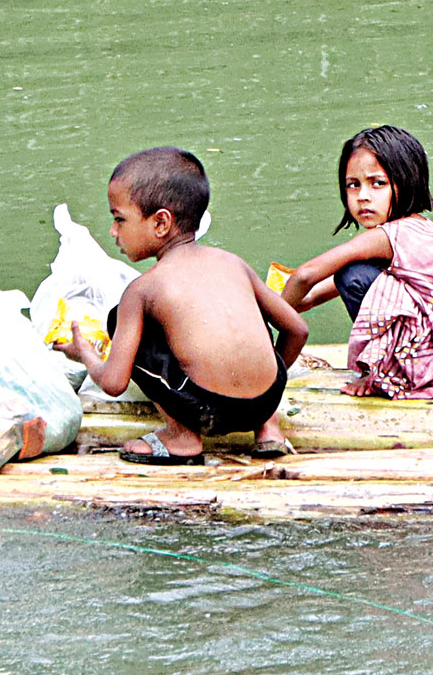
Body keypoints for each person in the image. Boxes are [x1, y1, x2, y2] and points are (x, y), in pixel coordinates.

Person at [54, 148, 308, 465]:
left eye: (119, 219)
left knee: (118, 319)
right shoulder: (233, 263)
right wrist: (262, 387)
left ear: (161, 222)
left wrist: (87, 354)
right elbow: (297, 328)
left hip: (207, 414)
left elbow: (114, 383)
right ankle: (267, 429)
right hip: (266, 402)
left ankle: (181, 437)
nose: (113, 231)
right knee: (243, 315)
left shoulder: (142, 290)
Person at [280, 126, 433, 399]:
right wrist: (299, 301)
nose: (363, 196)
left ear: (406, 181)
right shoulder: (415, 229)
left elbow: (305, 276)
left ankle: (380, 372)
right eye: (353, 184)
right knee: (353, 274)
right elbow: (314, 290)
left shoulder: (389, 236)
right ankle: (385, 367)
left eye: (378, 183)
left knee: (352, 275)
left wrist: (270, 321)